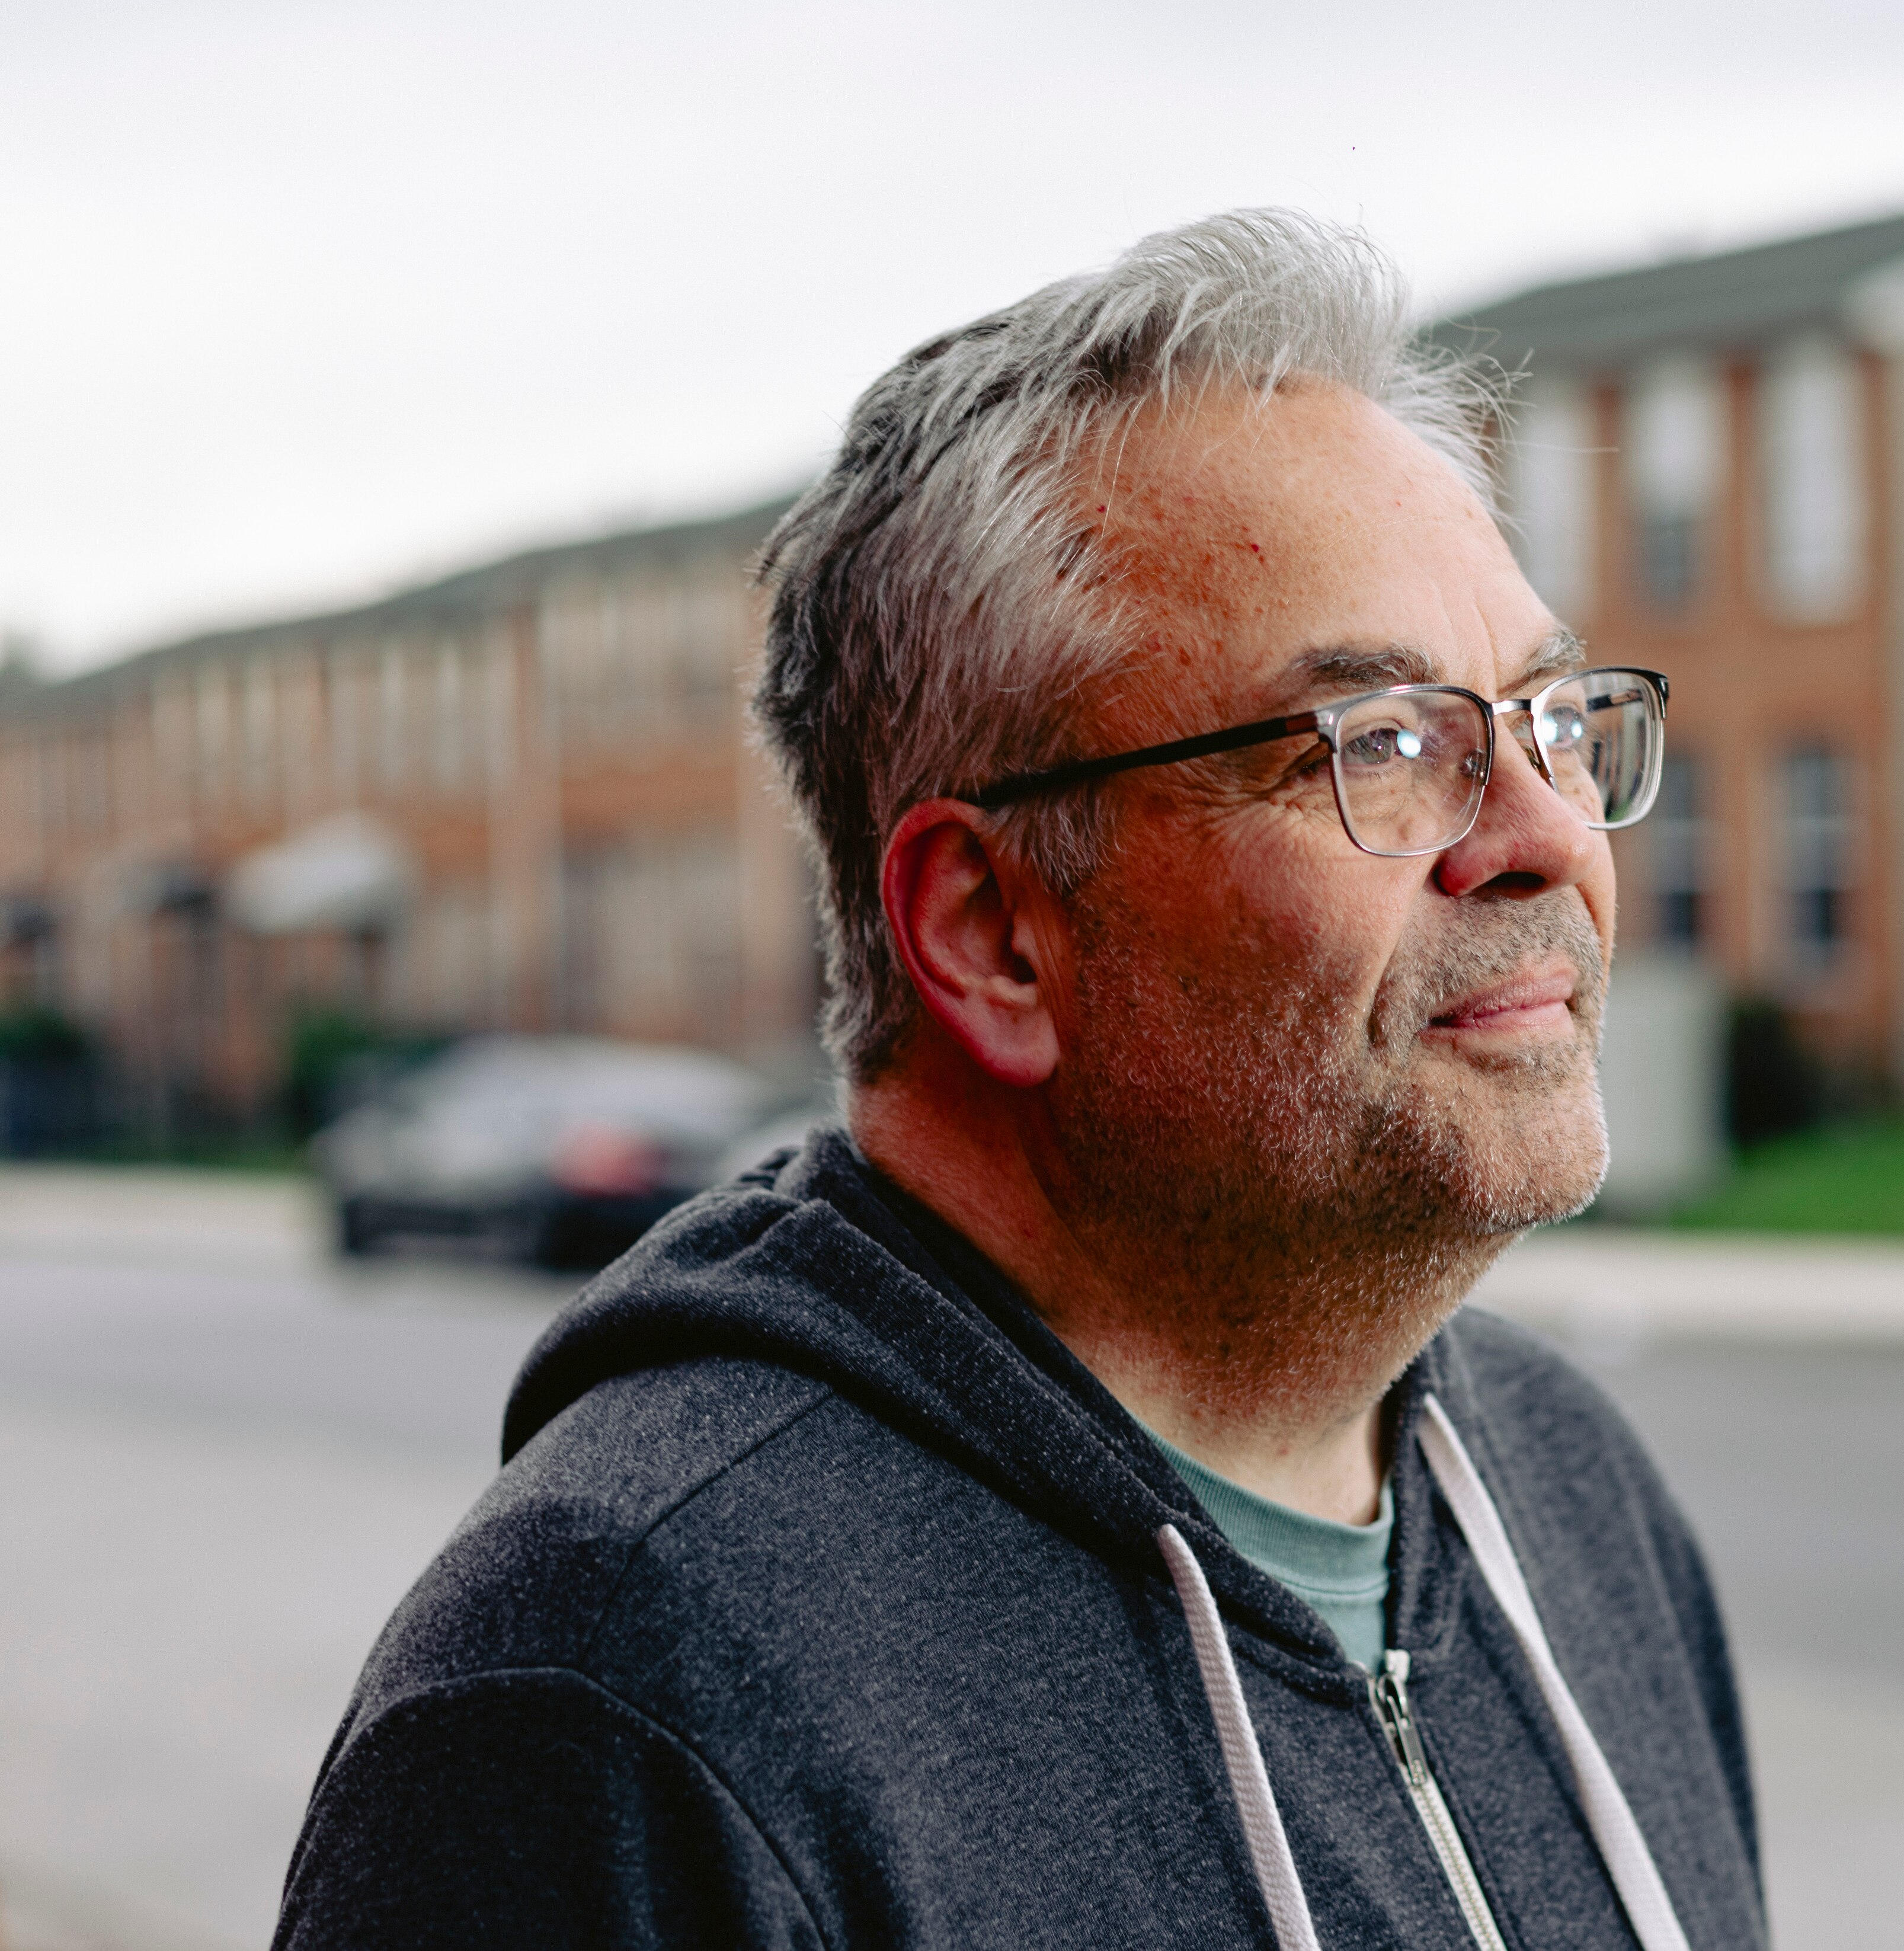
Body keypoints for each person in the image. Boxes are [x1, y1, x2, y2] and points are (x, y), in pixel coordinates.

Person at [274, 210, 1763, 1950]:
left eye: (1549, 720)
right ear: (990, 932)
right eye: (1382, 746)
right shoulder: (611, 1696)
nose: (1546, 836)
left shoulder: (1570, 1495)